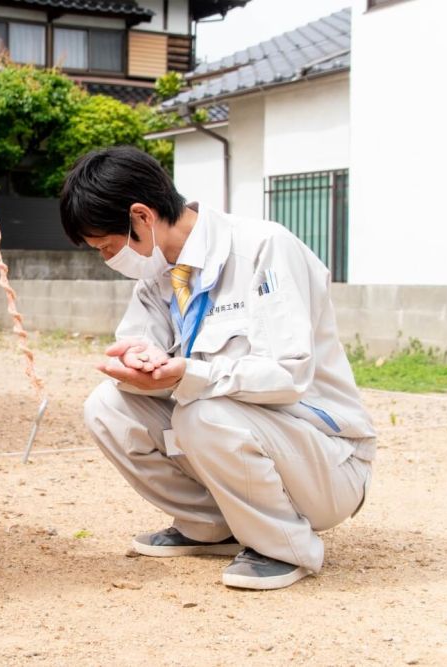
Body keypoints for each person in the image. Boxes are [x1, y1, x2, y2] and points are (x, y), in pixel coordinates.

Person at [60, 146, 375, 590]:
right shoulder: (158, 276)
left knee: (201, 411)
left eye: (107, 247)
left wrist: (189, 372)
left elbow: (288, 375)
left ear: (141, 217)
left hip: (325, 459)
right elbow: (142, 343)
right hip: (239, 434)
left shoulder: (264, 248)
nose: (108, 259)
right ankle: (211, 527)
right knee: (108, 407)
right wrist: (137, 362)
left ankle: (283, 545)